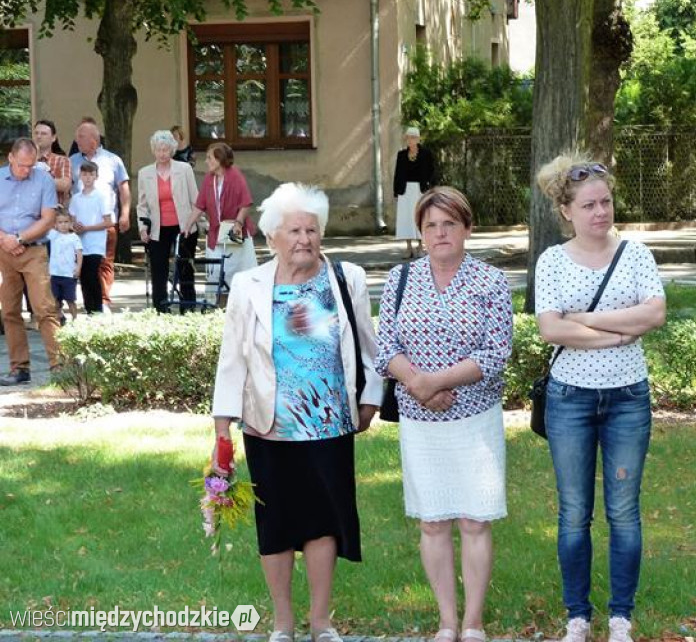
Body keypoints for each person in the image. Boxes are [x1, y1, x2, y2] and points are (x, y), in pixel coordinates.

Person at [211, 183, 381, 642]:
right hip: (270, 427)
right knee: (277, 525)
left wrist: (370, 399)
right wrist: (222, 429)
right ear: (272, 238)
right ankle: (283, 621)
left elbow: (368, 346)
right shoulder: (248, 286)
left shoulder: (347, 279)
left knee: (324, 522)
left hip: (329, 423)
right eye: (294, 230)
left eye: (312, 229)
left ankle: (321, 621)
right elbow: (233, 360)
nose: (304, 238)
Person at [533, 154, 667, 642]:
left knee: (624, 511)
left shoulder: (636, 254)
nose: (600, 212)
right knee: (573, 512)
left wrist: (584, 321)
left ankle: (620, 617)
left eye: (605, 202)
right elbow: (550, 328)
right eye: (588, 205)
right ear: (566, 211)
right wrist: (616, 328)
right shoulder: (551, 260)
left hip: (628, 399)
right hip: (570, 399)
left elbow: (653, 315)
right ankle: (577, 616)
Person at [375, 186, 513, 642]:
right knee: (433, 522)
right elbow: (386, 347)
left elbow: (496, 353)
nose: (440, 233)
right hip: (421, 422)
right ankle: (447, 622)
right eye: (431, 225)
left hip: (475, 420)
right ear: (420, 231)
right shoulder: (399, 278)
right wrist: (418, 383)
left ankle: (473, 622)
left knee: (474, 520)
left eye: (449, 224)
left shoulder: (490, 282)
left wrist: (438, 381)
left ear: (467, 228)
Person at [0, 138, 62, 385]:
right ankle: (19, 368)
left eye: (31, 165)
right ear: (11, 158)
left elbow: (48, 219)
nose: (27, 170)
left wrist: (19, 238)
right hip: (3, 251)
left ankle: (59, 366)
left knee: (44, 308)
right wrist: (5, 240)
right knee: (10, 311)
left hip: (33, 250)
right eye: (22, 165)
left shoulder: (43, 179)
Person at [70, 118, 131, 310]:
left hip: (105, 222)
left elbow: (124, 188)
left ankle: (103, 302)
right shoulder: (72, 161)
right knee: (86, 266)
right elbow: (67, 192)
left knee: (104, 263)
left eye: (81, 136)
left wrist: (125, 214)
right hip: (80, 225)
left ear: (93, 140)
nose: (76, 140)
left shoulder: (113, 160)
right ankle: (91, 303)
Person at [137, 130, 200, 311]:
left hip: (184, 226)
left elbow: (194, 198)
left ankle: (188, 309)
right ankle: (161, 310)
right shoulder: (144, 173)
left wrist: (195, 222)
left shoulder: (184, 169)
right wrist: (142, 228)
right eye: (159, 150)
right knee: (159, 270)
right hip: (158, 228)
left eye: (165, 149)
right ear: (153, 151)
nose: (162, 153)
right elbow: (141, 205)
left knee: (185, 269)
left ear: (172, 150)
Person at [182, 142, 257, 292]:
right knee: (216, 270)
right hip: (217, 231)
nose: (206, 161)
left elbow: (245, 203)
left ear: (219, 159)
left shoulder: (235, 176)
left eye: (209, 158)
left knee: (237, 269)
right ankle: (216, 302)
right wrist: (188, 225)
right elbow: (200, 205)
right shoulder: (210, 179)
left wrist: (238, 223)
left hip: (234, 230)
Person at [70, 160, 115, 314]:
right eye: (84, 174)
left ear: (96, 176)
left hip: (95, 243)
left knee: (92, 273)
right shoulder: (76, 198)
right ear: (80, 176)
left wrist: (87, 228)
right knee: (83, 276)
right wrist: (75, 227)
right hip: (80, 243)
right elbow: (73, 219)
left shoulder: (101, 196)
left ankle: (97, 308)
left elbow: (108, 222)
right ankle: (90, 309)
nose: (88, 177)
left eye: (91, 174)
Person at [393, 126, 436, 258]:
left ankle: (420, 246)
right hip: (405, 191)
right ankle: (408, 248)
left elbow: (432, 171)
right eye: (408, 137)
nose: (410, 140)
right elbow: (397, 174)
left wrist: (430, 188)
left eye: (412, 137)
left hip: (420, 190)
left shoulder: (426, 154)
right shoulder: (401, 155)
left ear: (418, 139)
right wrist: (395, 192)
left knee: (420, 217)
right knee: (406, 218)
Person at [48, 207, 83, 323]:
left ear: (71, 223)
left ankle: (75, 320)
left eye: (66, 222)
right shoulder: (53, 235)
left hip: (68, 274)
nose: (63, 225)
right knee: (54, 299)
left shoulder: (74, 237)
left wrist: (78, 268)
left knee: (70, 299)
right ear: (55, 224)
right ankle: (59, 317)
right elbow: (45, 224)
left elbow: (79, 253)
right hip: (54, 273)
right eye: (60, 222)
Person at [33, 120, 72, 207]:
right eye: (36, 133)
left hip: (54, 212)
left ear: (53, 138)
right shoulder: (24, 160)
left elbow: (65, 185)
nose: (39, 136)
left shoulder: (62, 160)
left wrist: (35, 180)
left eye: (43, 133)